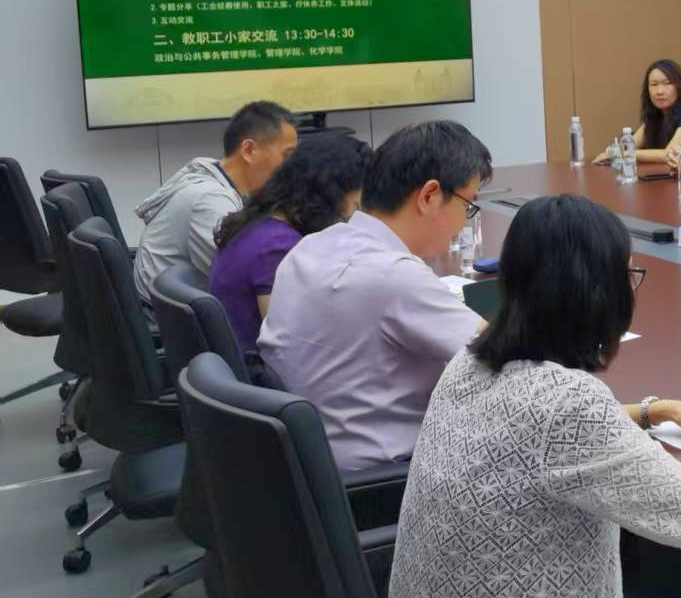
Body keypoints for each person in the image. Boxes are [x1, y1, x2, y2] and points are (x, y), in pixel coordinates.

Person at [387, 194, 681, 598]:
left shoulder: (467, 363)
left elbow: (528, 432)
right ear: (598, 294)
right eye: (627, 277)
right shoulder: (568, 403)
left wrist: (652, 412)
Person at [258, 120, 489, 471]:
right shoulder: (393, 275)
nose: (465, 220)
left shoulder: (310, 247)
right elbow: (501, 355)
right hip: (385, 476)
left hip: (311, 464)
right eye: (467, 204)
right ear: (429, 196)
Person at [206, 134, 371, 356]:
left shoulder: (258, 224)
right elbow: (288, 348)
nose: (350, 216)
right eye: (353, 207)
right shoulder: (277, 249)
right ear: (330, 196)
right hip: (261, 372)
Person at [132, 100, 298, 315]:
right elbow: (242, 279)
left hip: (178, 316)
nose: (293, 166)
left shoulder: (217, 182)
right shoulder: (211, 201)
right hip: (170, 323)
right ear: (249, 150)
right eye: (287, 155)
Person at [594, 59, 681, 166]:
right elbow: (630, 145)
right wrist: (612, 152)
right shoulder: (655, 114)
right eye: (654, 84)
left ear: (680, 87)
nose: (659, 91)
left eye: (667, 83)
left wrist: (625, 154)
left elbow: (671, 154)